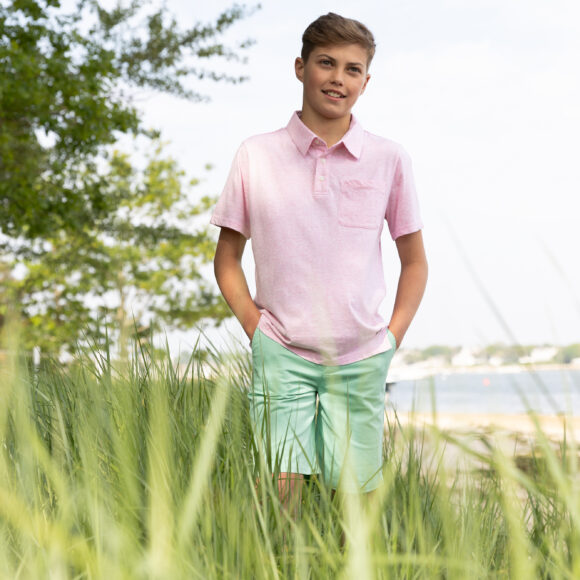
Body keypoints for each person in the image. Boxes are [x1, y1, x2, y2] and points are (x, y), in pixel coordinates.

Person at [211, 13, 427, 509]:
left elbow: (414, 262)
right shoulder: (256, 155)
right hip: (281, 352)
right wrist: (255, 327)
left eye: (352, 69)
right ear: (300, 67)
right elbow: (227, 258)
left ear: (365, 82)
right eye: (326, 63)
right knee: (280, 499)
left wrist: (390, 339)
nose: (338, 78)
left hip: (361, 357)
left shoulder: (389, 159)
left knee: (356, 505)